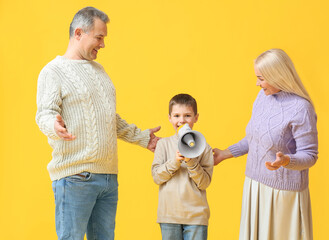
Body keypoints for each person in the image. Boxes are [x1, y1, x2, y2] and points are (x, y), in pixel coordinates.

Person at [35, 7, 160, 240]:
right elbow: (44, 113)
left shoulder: (100, 71)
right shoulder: (53, 71)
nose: (103, 44)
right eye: (99, 37)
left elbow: (108, 118)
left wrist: (143, 138)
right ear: (79, 33)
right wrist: (54, 125)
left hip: (108, 178)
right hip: (75, 178)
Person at [213, 49, 318, 240]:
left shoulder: (302, 108)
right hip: (254, 186)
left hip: (283, 193)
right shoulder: (263, 97)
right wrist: (224, 154)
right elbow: (254, 139)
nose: (257, 83)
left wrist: (286, 161)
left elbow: (310, 156)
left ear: (276, 76)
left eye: (261, 78)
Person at [151, 94, 214, 240]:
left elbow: (204, 183)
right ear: (169, 118)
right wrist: (175, 162)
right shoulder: (163, 144)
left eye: (187, 115)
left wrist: (191, 162)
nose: (181, 120)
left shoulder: (204, 148)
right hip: (169, 216)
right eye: (177, 115)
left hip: (196, 217)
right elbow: (156, 177)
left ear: (196, 117)